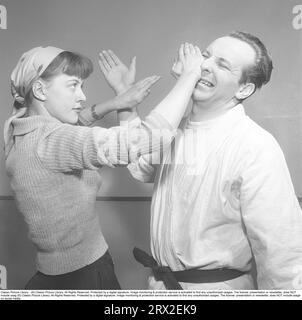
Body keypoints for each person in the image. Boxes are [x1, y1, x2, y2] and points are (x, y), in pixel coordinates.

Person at [4, 44, 203, 289]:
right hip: (82, 277)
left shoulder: (21, 130)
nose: (82, 96)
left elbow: (77, 125)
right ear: (40, 89)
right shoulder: (51, 140)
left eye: (82, 86)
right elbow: (145, 139)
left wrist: (119, 98)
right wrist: (189, 76)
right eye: (72, 85)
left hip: (58, 272)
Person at [129, 31, 302, 290]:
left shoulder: (255, 145)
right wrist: (125, 100)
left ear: (244, 88)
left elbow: (281, 251)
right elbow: (140, 167)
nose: (205, 65)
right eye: (206, 56)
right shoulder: (175, 131)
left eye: (222, 64)